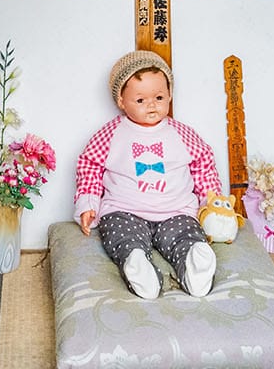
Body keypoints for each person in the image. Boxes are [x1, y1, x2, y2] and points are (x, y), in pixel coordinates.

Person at [74, 51, 223, 300]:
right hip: (124, 209)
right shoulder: (111, 134)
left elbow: (203, 162)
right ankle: (138, 266)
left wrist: (212, 201)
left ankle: (194, 266)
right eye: (140, 100)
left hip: (176, 210)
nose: (152, 105)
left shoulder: (181, 134)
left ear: (170, 95)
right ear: (121, 101)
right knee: (123, 237)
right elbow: (89, 165)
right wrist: (88, 203)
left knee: (185, 236)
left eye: (159, 97)